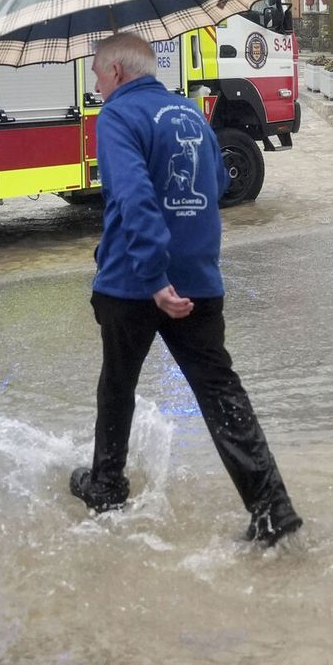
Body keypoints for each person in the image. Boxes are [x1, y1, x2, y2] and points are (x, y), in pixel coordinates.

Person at [69, 32, 303, 546]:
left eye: (95, 72)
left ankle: (107, 486)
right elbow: (218, 184)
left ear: (116, 73)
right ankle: (271, 509)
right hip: (200, 281)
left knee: (117, 388)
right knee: (221, 394)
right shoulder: (189, 113)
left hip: (135, 284)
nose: (94, 82)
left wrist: (153, 279)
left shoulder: (117, 117)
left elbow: (134, 200)